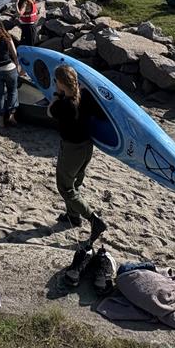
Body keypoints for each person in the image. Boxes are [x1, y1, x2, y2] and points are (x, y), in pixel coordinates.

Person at [48, 64, 107, 240]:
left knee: (65, 188)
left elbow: (50, 111)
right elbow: (101, 115)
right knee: (76, 183)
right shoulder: (86, 96)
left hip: (72, 149)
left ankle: (94, 219)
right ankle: (73, 216)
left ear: (59, 82)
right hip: (87, 147)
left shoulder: (64, 105)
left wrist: (56, 95)